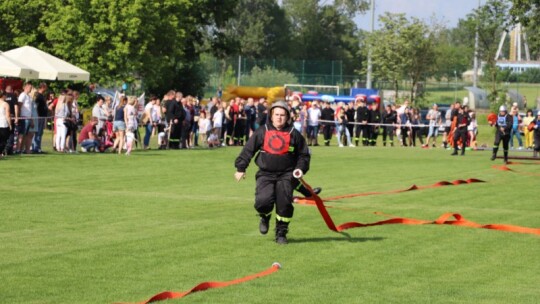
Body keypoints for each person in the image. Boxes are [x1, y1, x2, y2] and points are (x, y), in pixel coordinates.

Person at [234, 101, 310, 245]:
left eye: (282, 115)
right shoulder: (262, 131)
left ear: (287, 116)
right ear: (271, 115)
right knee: (262, 202)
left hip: (287, 175)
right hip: (265, 174)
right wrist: (241, 168)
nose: (279, 118)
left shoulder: (294, 134)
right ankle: (265, 215)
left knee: (285, 204)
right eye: (277, 115)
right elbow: (248, 150)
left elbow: (304, 155)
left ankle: (281, 233)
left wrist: (300, 168)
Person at [17, 82, 34, 154]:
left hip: (28, 117)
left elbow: (30, 109)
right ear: (26, 87)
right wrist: (18, 116)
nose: (31, 89)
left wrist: (32, 119)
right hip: (24, 117)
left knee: (26, 134)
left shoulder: (29, 96)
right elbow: (19, 106)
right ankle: (18, 149)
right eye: (30, 87)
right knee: (22, 134)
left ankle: (21, 149)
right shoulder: (22, 95)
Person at [32, 83, 48, 153]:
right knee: (38, 132)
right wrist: (37, 115)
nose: (46, 89)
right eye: (46, 87)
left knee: (40, 132)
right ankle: (36, 147)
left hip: (42, 116)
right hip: (39, 117)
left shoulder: (42, 95)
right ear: (42, 87)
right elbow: (36, 106)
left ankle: (38, 147)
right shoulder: (38, 96)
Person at [4, 85, 19, 155]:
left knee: (4, 133)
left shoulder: (3, 96)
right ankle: (8, 149)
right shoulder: (13, 96)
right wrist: (16, 117)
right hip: (11, 116)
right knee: (11, 133)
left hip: (3, 117)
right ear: (12, 90)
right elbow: (16, 107)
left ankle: (4, 149)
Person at [0, 90, 12, 158]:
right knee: (3, 140)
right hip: (3, 124)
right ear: (3, 96)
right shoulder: (5, 104)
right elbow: (8, 115)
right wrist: (10, 124)